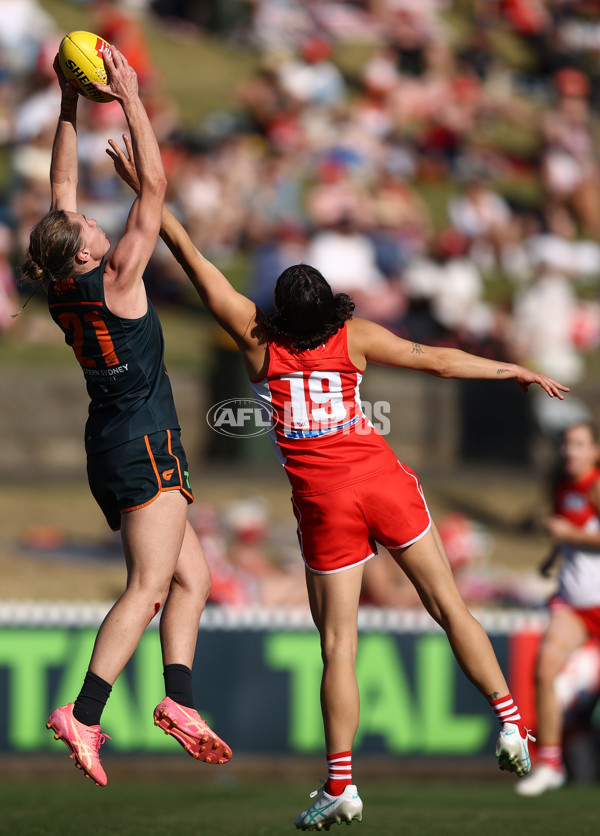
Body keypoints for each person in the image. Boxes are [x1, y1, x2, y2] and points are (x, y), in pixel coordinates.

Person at [108, 136, 569, 830]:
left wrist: (149, 194)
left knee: (338, 645)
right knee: (448, 606)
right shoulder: (353, 339)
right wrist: (515, 370)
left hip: (324, 504)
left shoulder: (257, 341)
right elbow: (439, 360)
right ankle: (510, 724)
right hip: (382, 480)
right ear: (328, 305)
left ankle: (342, 784)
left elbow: (196, 263)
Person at [20, 49, 231, 787]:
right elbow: (157, 187)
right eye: (82, 223)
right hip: (144, 441)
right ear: (82, 249)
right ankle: (84, 710)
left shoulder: (60, 284)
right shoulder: (117, 276)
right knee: (147, 586)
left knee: (192, 580)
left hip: (111, 442)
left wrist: (70, 102)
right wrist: (132, 100)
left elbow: (61, 184)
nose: (87, 218)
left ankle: (179, 701)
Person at [516, 421, 600, 797]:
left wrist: (569, 536)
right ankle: (551, 763)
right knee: (544, 671)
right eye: (567, 444)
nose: (571, 452)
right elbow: (566, 532)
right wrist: (554, 555)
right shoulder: (561, 486)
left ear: (596, 451)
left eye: (579, 445)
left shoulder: (595, 485)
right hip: (573, 603)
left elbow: (577, 532)